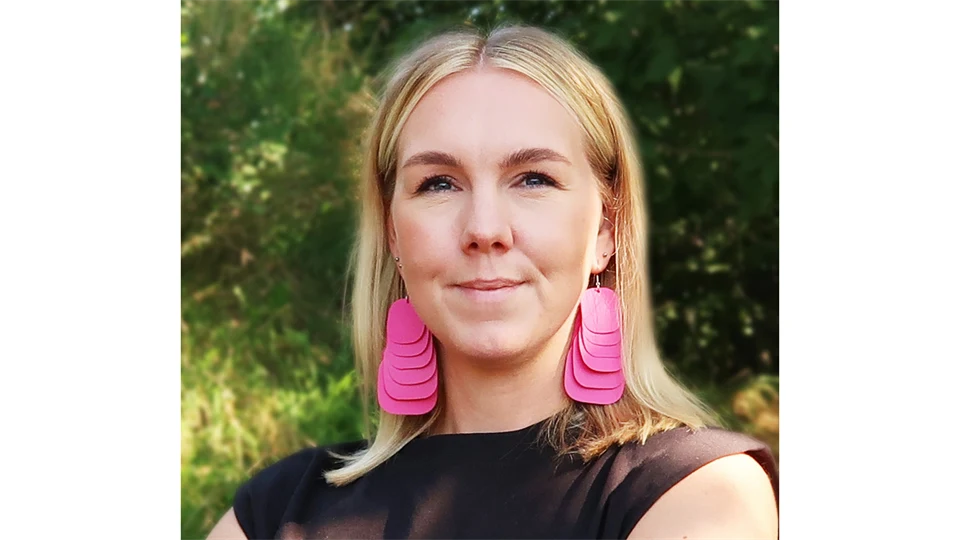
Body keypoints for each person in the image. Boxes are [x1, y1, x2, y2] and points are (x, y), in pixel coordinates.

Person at [207, 23, 779, 540]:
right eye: (438, 184)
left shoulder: (695, 493)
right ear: (393, 235)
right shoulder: (279, 508)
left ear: (605, 228)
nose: (484, 229)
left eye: (533, 178)